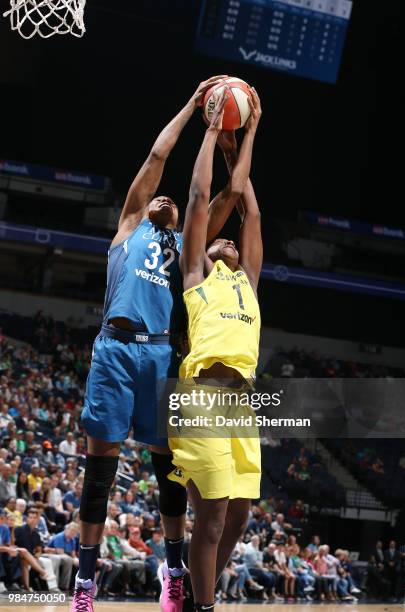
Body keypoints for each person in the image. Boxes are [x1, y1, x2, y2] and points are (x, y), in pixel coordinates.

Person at [71, 75, 237, 612]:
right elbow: (157, 156)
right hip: (117, 350)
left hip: (163, 354)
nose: (162, 196)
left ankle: (172, 574)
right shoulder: (128, 227)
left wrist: (230, 134)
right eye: (154, 196)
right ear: (141, 208)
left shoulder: (188, 244)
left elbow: (222, 196)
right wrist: (193, 105)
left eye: (168, 197)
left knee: (167, 470)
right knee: (101, 471)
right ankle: (84, 587)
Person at [167, 87, 262, 612]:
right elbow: (203, 199)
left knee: (240, 516)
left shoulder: (248, 280)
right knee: (216, 514)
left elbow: (250, 208)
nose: (225, 241)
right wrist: (210, 130)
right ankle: (202, 607)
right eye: (214, 241)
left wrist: (245, 138)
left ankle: (191, 589)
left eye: (231, 241)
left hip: (243, 406)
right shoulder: (195, 276)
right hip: (201, 396)